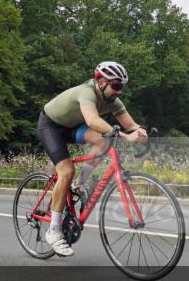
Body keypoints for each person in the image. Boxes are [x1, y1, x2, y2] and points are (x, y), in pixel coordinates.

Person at [36, 61, 147, 257]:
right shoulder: (87, 92)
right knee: (66, 171)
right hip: (50, 126)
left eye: (122, 87)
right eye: (117, 86)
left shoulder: (113, 100)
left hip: (72, 126)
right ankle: (53, 231)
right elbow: (93, 121)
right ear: (102, 82)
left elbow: (130, 124)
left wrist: (140, 131)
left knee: (102, 144)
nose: (119, 91)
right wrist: (124, 136)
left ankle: (80, 184)